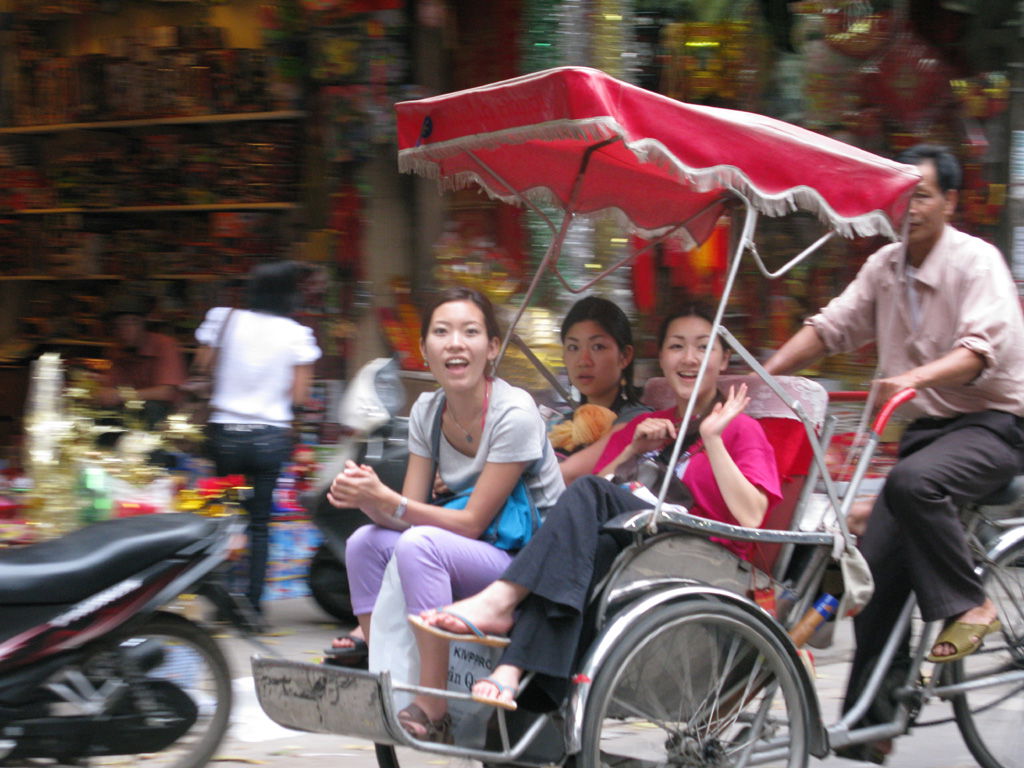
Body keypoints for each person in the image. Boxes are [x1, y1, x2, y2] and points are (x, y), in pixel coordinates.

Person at [762, 144, 1024, 761]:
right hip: (930, 435)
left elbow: (979, 352)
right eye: (904, 195)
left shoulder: (976, 262)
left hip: (993, 426)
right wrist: (762, 378)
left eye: (925, 195)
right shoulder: (884, 267)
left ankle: (972, 605)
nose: (911, 208)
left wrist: (915, 378)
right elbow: (830, 328)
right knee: (869, 580)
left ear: (952, 202)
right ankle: (870, 731)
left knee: (911, 484)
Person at [414, 303, 782, 711]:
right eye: (677, 347)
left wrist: (713, 439)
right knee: (580, 558)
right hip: (645, 550)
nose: (689, 358)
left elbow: (752, 516)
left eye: (703, 347)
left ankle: (503, 601)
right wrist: (634, 453)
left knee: (587, 500)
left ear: (723, 359)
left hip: (707, 560)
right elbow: (599, 497)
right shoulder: (651, 424)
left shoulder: (742, 429)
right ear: (661, 359)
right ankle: (521, 679)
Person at [327, 285, 565, 741]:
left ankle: (433, 701)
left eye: (470, 332)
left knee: (421, 546)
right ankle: (388, 677)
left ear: (492, 348)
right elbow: (407, 513)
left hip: (526, 566)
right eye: (442, 332)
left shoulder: (514, 413)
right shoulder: (427, 410)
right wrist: (369, 500)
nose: (455, 343)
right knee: (364, 544)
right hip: (466, 547)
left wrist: (388, 499)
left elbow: (472, 522)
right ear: (424, 350)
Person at [195, 260, 322, 619]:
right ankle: (253, 605)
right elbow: (299, 395)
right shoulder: (296, 334)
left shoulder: (226, 319)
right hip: (269, 439)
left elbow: (203, 364)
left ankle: (219, 597)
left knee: (220, 516)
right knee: (260, 523)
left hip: (224, 436)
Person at [551, 296, 651, 484]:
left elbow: (567, 475)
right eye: (573, 347)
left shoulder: (638, 422)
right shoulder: (562, 424)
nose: (583, 360)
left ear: (625, 356)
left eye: (598, 347)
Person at [96, 294, 186, 429]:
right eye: (117, 326)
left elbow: (167, 392)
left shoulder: (164, 344)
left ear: (141, 323)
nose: (121, 332)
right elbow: (112, 387)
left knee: (152, 407)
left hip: (168, 418)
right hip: (135, 414)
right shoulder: (118, 348)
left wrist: (121, 395)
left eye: (126, 324)